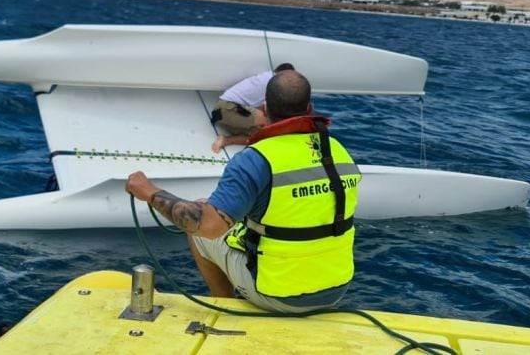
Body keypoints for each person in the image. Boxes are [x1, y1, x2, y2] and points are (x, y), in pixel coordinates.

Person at [126, 70, 361, 313]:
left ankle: (225, 306)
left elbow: (206, 226)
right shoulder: (337, 150)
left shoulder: (255, 160)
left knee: (199, 229)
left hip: (279, 295)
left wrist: (149, 192)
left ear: (265, 109)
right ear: (310, 108)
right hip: (336, 288)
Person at [210, 63, 295, 153]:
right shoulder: (272, 82)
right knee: (268, 121)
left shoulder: (267, 78)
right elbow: (271, 114)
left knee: (261, 137)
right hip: (226, 108)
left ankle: (225, 140)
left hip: (225, 115)